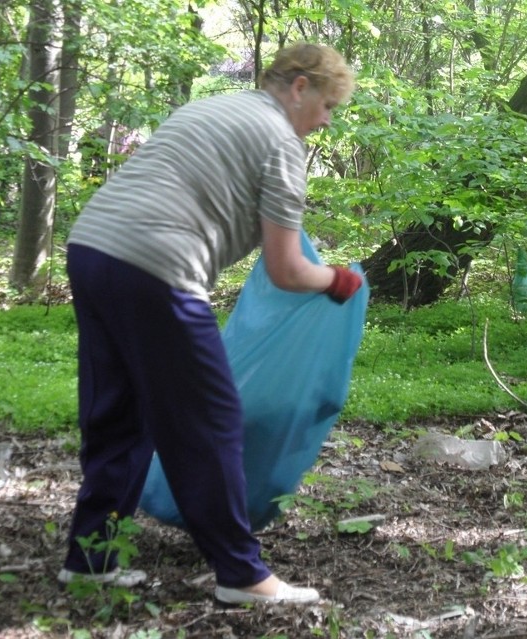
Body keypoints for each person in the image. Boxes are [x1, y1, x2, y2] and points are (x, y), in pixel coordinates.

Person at [60, 41, 363, 605]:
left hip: (92, 248)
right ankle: (241, 574)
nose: (323, 122)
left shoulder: (213, 108)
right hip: (157, 266)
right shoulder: (281, 143)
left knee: (119, 413)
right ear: (299, 87)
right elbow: (287, 269)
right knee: (211, 417)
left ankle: (92, 559)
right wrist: (338, 280)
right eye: (326, 105)